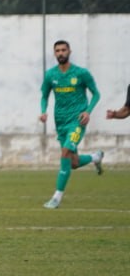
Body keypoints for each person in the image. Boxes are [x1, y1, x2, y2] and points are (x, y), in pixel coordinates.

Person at [38, 40, 102, 209]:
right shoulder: (51, 75)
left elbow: (96, 94)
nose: (61, 53)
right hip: (60, 123)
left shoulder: (81, 73)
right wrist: (43, 111)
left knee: (65, 152)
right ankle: (95, 157)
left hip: (77, 121)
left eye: (63, 50)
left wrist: (88, 111)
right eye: (57, 51)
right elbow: (44, 96)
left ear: (69, 51)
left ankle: (57, 197)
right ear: (54, 54)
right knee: (72, 162)